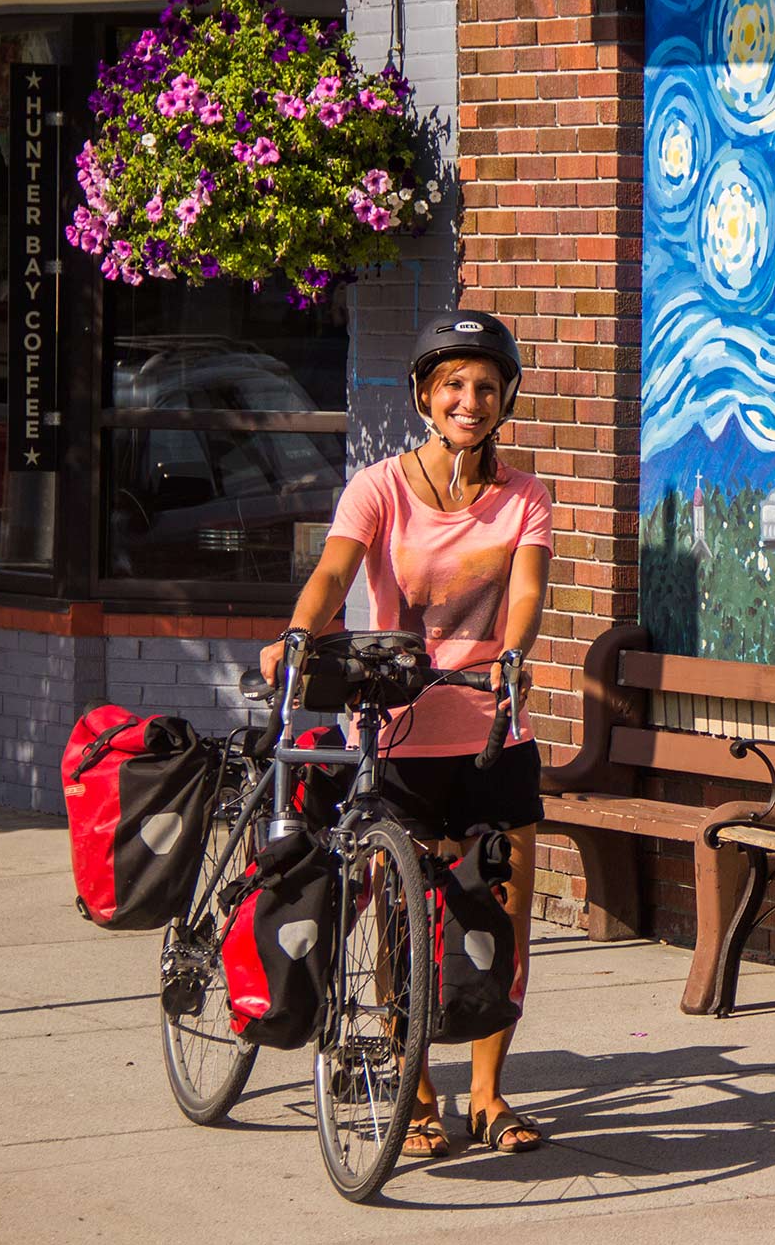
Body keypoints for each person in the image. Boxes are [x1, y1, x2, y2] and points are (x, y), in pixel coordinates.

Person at [260, 309, 552, 1158]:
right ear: (426, 393)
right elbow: (333, 570)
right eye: (455, 384)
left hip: (494, 731)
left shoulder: (524, 495)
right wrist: (298, 634)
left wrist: (516, 651)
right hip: (397, 736)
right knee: (398, 919)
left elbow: (527, 592)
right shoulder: (378, 487)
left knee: (501, 917)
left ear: (504, 402)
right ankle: (415, 1092)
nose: (472, 399)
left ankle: (490, 1096)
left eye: (488, 387)